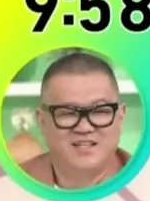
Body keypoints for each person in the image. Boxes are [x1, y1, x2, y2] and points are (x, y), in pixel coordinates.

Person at [18, 50, 130, 190]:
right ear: (42, 121)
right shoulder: (10, 187)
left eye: (99, 111)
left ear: (120, 117)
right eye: (68, 113)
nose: (84, 128)